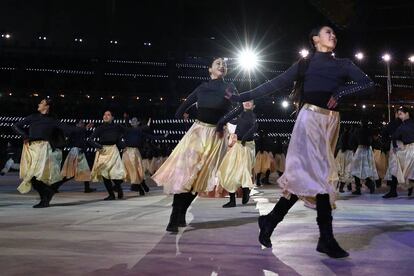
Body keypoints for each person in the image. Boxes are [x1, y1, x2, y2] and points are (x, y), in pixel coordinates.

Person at [230, 26, 375, 258]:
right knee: (322, 176)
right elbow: (273, 84)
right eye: (328, 32)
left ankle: (270, 221)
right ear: (315, 39)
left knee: (306, 179)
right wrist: (241, 97)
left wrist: (340, 94)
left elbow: (368, 84)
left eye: (334, 34)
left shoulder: (344, 64)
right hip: (310, 120)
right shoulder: (305, 64)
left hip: (330, 123)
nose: (333, 35)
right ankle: (326, 239)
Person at [152, 57, 242, 233]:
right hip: (197, 133)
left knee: (198, 180)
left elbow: (239, 107)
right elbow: (184, 105)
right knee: (186, 176)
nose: (222, 66)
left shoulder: (228, 88)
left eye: (224, 65)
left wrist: (222, 121)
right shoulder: (203, 87)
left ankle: (182, 212)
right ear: (210, 69)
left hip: (216, 136)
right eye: (218, 64)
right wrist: (180, 118)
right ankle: (174, 216)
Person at [12, 99, 67, 208]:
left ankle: (45, 199)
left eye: (41, 102)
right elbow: (15, 126)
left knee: (37, 176)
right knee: (32, 177)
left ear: (47, 106)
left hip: (45, 150)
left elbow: (64, 131)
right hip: (32, 149)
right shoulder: (33, 117)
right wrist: (25, 136)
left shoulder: (52, 120)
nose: (38, 104)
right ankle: (48, 194)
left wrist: (81, 129)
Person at [219, 100, 258, 208]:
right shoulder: (240, 115)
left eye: (250, 102)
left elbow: (255, 127)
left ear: (253, 106)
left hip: (247, 146)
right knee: (229, 170)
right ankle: (233, 199)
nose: (247, 103)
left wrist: (245, 138)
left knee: (243, 170)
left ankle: (246, 190)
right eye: (246, 101)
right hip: (238, 145)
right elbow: (232, 121)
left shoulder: (252, 115)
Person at [88, 111, 126, 200]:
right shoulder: (100, 128)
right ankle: (111, 194)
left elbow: (119, 138)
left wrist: (123, 146)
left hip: (113, 150)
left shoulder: (116, 127)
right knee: (104, 173)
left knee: (114, 173)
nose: (106, 116)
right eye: (104, 114)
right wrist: (98, 146)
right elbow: (90, 140)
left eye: (108, 115)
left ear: (112, 117)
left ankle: (119, 189)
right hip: (103, 151)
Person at [60, 120, 96, 193]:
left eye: (83, 123)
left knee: (84, 170)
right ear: (77, 124)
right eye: (81, 123)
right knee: (71, 173)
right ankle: (55, 186)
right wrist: (86, 127)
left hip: (79, 152)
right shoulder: (75, 130)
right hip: (75, 152)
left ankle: (87, 188)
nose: (83, 124)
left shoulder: (80, 131)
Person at [385, 107, 414, 197]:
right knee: (397, 166)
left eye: (401, 114)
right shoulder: (402, 125)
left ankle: (395, 191)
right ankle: (393, 191)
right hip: (406, 149)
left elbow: (394, 136)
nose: (399, 116)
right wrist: (395, 146)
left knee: (409, 170)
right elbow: (394, 136)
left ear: (407, 113)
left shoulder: (408, 124)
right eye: (398, 114)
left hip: (411, 150)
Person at [350, 120, 378, 194]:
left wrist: (354, 149)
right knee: (366, 169)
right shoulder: (369, 130)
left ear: (361, 123)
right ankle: (369, 183)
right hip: (368, 150)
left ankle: (359, 188)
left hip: (360, 149)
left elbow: (353, 140)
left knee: (356, 170)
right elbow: (373, 140)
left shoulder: (358, 130)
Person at [335, 126, 354, 193]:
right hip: (349, 153)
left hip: (341, 153)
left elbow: (339, 144)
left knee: (341, 170)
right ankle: (346, 186)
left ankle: (340, 186)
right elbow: (353, 145)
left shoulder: (342, 135)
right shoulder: (351, 135)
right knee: (348, 170)